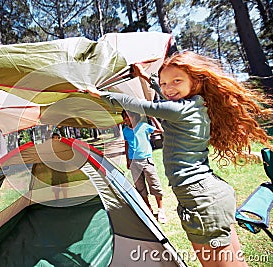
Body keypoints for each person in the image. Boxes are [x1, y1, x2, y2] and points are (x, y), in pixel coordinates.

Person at [81, 51, 272, 266]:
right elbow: (167, 96)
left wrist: (100, 94)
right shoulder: (194, 105)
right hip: (208, 194)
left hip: (201, 198)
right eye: (163, 83)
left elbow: (141, 105)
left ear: (196, 81)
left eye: (177, 80)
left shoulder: (179, 110)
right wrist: (146, 77)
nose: (168, 87)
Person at [121, 110, 167, 223]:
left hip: (146, 160)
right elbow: (127, 145)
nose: (126, 119)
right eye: (124, 117)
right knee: (140, 187)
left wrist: (152, 118)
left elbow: (161, 131)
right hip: (133, 162)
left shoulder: (143, 126)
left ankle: (161, 209)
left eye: (128, 117)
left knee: (154, 184)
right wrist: (128, 160)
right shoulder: (125, 130)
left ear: (134, 117)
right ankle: (148, 208)